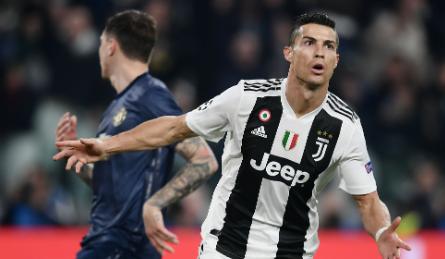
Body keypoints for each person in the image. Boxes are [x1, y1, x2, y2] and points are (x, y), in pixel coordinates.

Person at [54, 12, 411, 259]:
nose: (320, 51)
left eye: (329, 46)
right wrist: (106, 145)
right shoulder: (246, 98)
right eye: (310, 43)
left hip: (292, 252)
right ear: (288, 53)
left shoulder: (344, 126)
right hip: (223, 248)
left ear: (336, 61)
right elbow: (173, 127)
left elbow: (368, 202)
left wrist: (381, 233)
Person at [54, 10, 218, 259]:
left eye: (100, 44)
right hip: (110, 241)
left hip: (125, 244)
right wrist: (75, 156)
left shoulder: (151, 95)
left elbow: (205, 160)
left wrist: (155, 204)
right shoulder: (118, 106)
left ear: (111, 47)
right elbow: (114, 186)